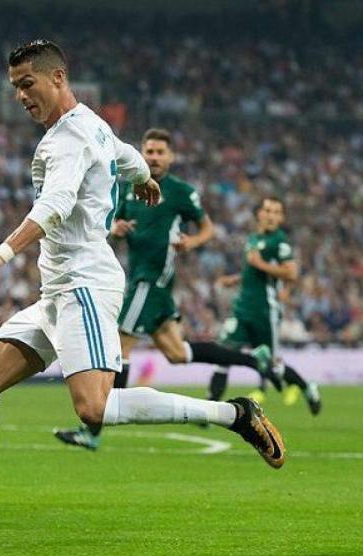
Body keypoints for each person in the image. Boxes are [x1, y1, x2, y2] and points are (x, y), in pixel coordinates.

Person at [0, 40, 286, 544]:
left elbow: (55, 204)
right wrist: (143, 177)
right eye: (14, 87)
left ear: (57, 77)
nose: (19, 96)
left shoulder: (67, 140)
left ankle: (233, 414)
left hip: (85, 283)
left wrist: (1, 253)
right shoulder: (92, 125)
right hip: (57, 290)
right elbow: (125, 155)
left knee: (93, 409)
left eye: (26, 84)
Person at [53, 128, 283, 450]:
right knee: (178, 353)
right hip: (140, 280)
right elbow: (111, 228)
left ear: (171, 157)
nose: (154, 157)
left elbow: (207, 227)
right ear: (142, 153)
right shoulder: (128, 189)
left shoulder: (179, 192)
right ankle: (254, 360)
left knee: (120, 344)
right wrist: (116, 229)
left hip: (152, 280)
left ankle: (92, 432)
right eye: (150, 151)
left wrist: (193, 241)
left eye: (161, 152)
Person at [207, 197, 321, 415]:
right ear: (258, 213)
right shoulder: (254, 238)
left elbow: (292, 272)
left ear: (282, 218)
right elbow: (253, 272)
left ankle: (307, 388)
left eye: (276, 212)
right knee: (223, 352)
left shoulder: (279, 241)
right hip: (243, 308)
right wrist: (236, 279)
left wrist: (260, 264)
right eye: (267, 210)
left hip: (264, 311)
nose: (271, 215)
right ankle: (211, 407)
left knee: (273, 366)